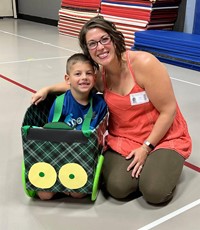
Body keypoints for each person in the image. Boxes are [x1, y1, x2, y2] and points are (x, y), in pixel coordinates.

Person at [32, 16, 192, 205]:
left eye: (104, 39)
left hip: (162, 136)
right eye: (92, 44)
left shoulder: (144, 64)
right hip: (126, 137)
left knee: (154, 192)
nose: (99, 47)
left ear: (114, 38)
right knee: (118, 188)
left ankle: (164, 162)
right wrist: (48, 89)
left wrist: (146, 148)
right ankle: (149, 168)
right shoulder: (101, 76)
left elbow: (168, 110)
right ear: (87, 51)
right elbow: (79, 84)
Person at [37, 53, 107, 200]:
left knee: (78, 194)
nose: (84, 77)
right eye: (77, 74)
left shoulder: (100, 104)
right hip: (60, 154)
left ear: (95, 78)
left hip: (84, 156)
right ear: (67, 79)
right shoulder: (60, 103)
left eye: (89, 73)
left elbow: (101, 136)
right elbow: (49, 135)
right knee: (44, 195)